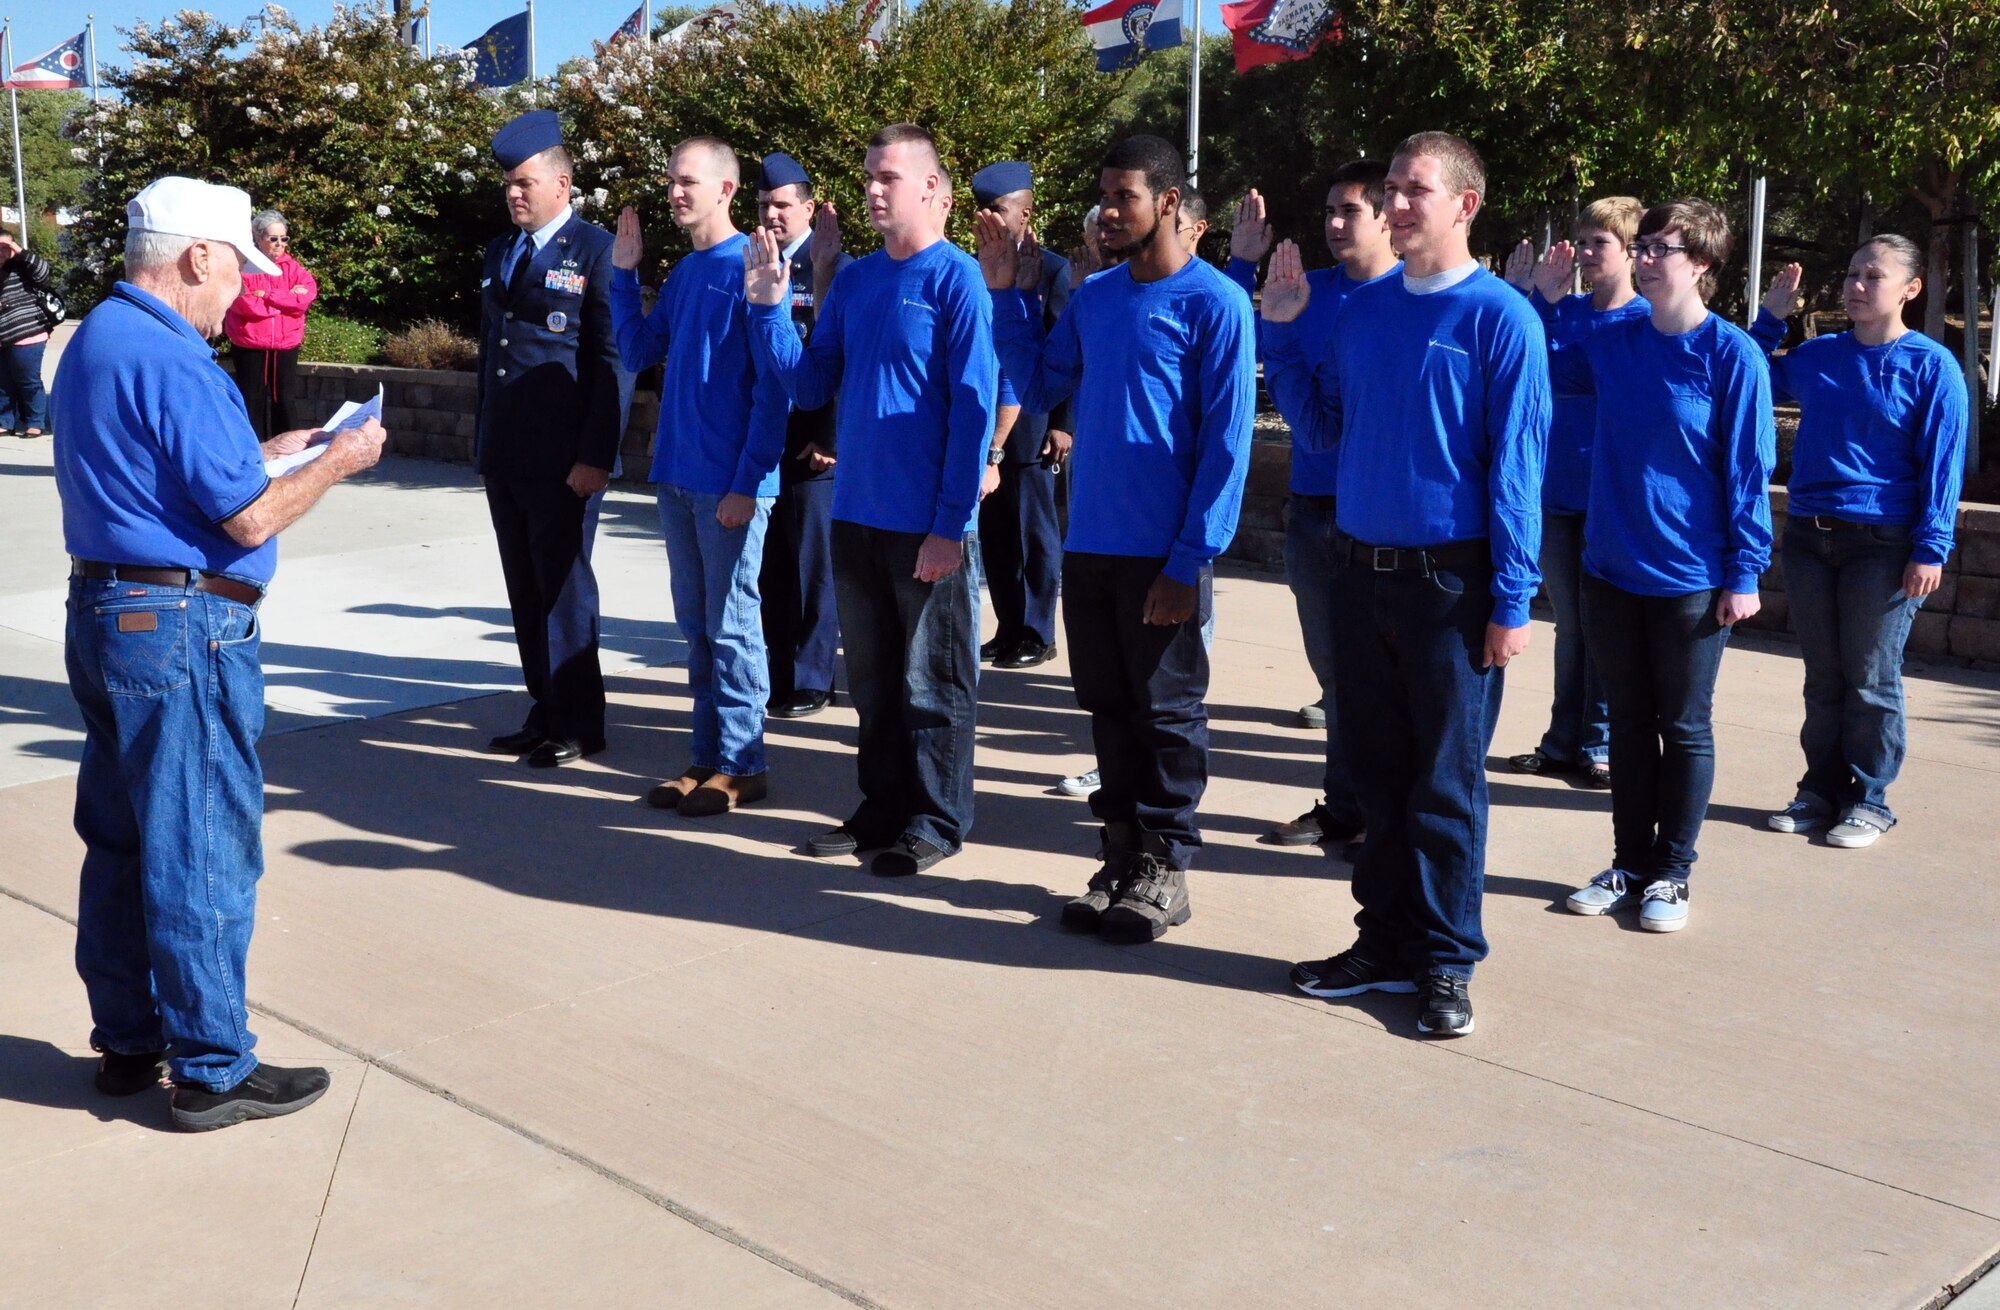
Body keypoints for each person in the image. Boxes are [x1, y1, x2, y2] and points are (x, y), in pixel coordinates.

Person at [52, 176, 388, 1130]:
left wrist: (278, 444)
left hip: (111, 609)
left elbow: (180, 474)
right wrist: (335, 460)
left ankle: (129, 1039)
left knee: (120, 839)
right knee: (201, 840)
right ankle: (211, 1065)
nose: (242, 290)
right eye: (236, 267)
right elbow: (244, 516)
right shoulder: (173, 357)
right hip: (180, 626)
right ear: (197, 256)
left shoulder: (100, 338)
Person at [1262, 132, 1549, 1036]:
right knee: (1377, 781)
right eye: (1390, 187)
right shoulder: (1364, 311)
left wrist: (1512, 600)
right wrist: (1278, 331)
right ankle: (1380, 943)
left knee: (1444, 786)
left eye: (1413, 190)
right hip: (1357, 574)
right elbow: (1319, 432)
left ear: (1465, 204)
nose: (1394, 204)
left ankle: (1445, 960)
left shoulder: (1502, 319)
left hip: (1450, 589)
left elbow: (1516, 470)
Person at [978, 134, 1256, 943]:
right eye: (1102, 197)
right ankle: (1120, 858)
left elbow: (1229, 445)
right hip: (1091, 547)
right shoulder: (1096, 299)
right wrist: (1007, 298)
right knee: (1108, 711)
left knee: (1167, 716)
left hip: (1163, 555)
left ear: (1170, 203)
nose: (1105, 212)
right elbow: (1038, 385)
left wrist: (1191, 558)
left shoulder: (1215, 303)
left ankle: (1166, 870)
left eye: (1123, 197)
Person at [745, 123, 999, 877]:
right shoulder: (854, 280)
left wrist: (950, 525)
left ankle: (937, 819)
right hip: (855, 516)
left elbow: (974, 408)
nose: (872, 190)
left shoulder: (956, 280)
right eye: (868, 177)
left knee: (934, 681)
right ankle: (880, 807)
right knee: (878, 683)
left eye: (888, 177)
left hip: (926, 525)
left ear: (930, 188)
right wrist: (768, 310)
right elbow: (812, 384)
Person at [1545, 199, 1775, 932]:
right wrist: (1545, 304)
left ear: (1702, 264)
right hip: (1609, 569)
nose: (1643, 258)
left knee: (1684, 727)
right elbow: (1538, 373)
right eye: (1640, 246)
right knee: (1628, 728)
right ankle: (1629, 863)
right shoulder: (1612, 339)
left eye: (1660, 250)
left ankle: (1671, 874)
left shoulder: (1730, 354)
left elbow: (1748, 471)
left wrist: (1745, 572)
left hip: (1691, 580)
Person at [1754, 239, 1966, 848]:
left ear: (1911, 289)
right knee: (1823, 676)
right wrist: (1772, 315)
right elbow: (1740, 367)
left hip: (1883, 543)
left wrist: (1931, 547)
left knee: (1871, 677)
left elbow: (1943, 465)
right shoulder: (1819, 355)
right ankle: (1818, 792)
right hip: (1808, 537)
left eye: (1874, 276)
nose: (1856, 285)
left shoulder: (1932, 366)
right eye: (1851, 273)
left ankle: (1870, 798)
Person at [1226, 161, 1402, 852]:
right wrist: (1245, 271)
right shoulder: (1306, 292)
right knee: (1337, 675)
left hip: (1386, 520)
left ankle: (1392, 812)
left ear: (1388, 216)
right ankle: (1347, 806)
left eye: (1349, 211)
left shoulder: (1410, 297)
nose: (1333, 224)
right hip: (1315, 508)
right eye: (1328, 210)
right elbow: (1232, 332)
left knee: (1389, 680)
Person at [612, 138, 789, 816]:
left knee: (734, 625)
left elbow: (775, 392)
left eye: (688, 181)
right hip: (679, 478)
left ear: (725, 190)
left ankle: (745, 764)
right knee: (697, 628)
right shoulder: (688, 273)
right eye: (670, 181)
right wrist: (625, 275)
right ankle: (706, 756)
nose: (675, 192)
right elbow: (637, 349)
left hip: (729, 486)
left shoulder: (753, 264)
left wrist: (749, 482)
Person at [475, 110, 626, 769]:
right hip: (506, 453)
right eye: (509, 183)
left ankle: (578, 720)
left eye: (526, 182)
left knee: (565, 591)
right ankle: (545, 707)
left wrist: (597, 456)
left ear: (563, 184)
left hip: (565, 459)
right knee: (525, 589)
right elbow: (496, 352)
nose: (514, 192)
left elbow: (612, 361)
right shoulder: (501, 250)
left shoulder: (596, 251)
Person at [1498, 197, 1648, 790]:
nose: (1585, 255)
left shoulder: (1642, 321)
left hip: (1610, 501)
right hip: (1553, 496)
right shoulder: (1562, 310)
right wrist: (1542, 300)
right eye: (1581, 243)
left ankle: (1600, 742)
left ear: (1633, 252)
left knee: (1604, 626)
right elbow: (1524, 364)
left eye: (1598, 245)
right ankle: (1563, 741)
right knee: (1572, 625)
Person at [756, 151, 853, 720]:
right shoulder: (750, 263)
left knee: (813, 569)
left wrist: (831, 438)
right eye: (764, 203)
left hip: (814, 446)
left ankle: (814, 678)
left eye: (782, 205)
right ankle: (778, 673)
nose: (771, 214)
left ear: (810, 209)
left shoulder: (837, 270)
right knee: (771, 569)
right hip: (765, 440)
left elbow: (844, 362)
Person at [973, 161, 1073, 671]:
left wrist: (1063, 423)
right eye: (983, 207)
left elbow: (1067, 352)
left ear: (1026, 212)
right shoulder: (975, 270)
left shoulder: (1053, 271)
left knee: (1036, 534)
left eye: (998, 207)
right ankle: (1008, 627)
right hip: (984, 425)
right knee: (997, 535)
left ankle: (1038, 630)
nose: (987, 215)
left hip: (1034, 427)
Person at [223, 209, 319, 442]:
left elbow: (306, 297)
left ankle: (288, 448)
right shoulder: (244, 267)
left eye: (283, 239)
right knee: (251, 399)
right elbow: (243, 302)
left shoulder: (294, 268)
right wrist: (284, 302)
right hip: (250, 343)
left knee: (284, 399)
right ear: (258, 239)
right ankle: (251, 448)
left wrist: (268, 295)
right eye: (273, 239)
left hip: (285, 345)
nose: (279, 244)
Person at [0, 230, 55, 437]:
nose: (2, 252)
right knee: (3, 383)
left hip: (27, 333)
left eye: (6, 248)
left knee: (28, 380)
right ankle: (5, 422)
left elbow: (44, 272)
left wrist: (16, 249)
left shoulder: (23, 267)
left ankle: (35, 422)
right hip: (2, 336)